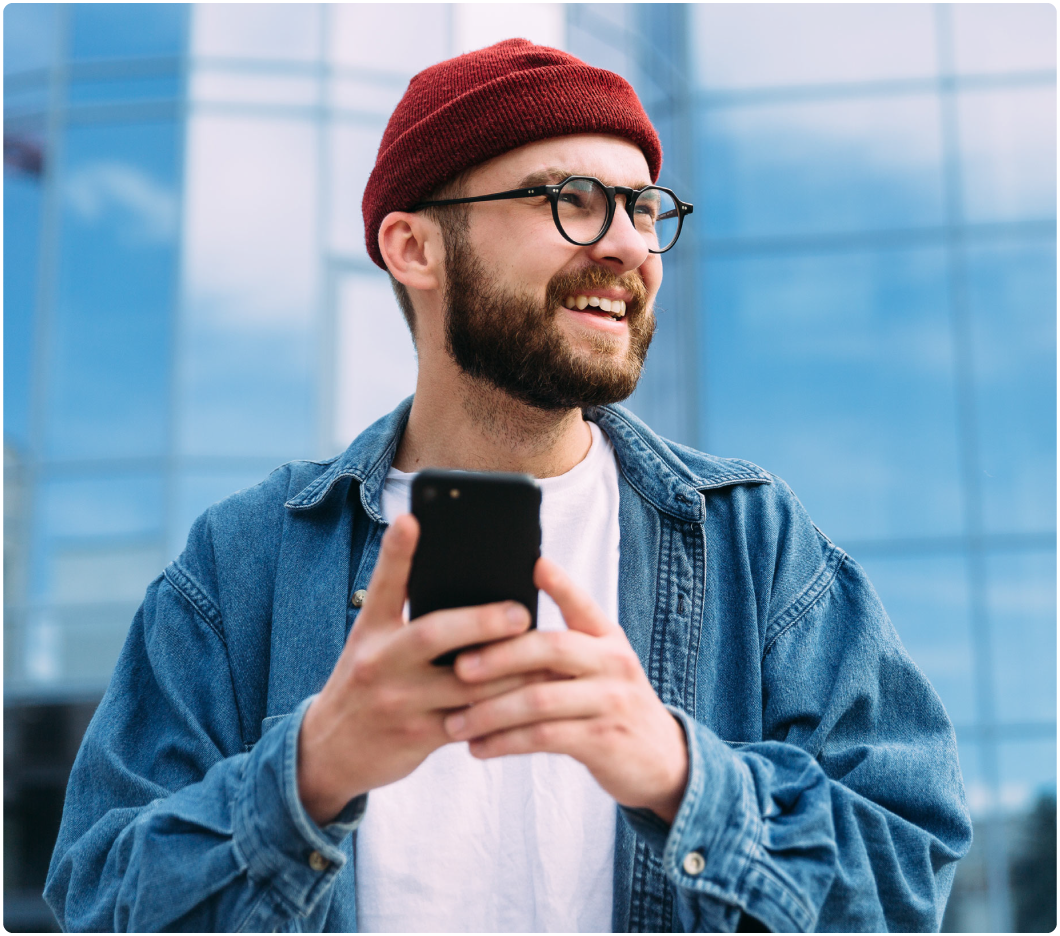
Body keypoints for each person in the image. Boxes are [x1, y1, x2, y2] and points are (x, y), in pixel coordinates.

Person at [45, 39, 971, 933]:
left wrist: (683, 775)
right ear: (414, 248)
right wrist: (310, 776)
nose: (627, 246)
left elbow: (906, 874)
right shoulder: (245, 561)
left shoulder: (751, 542)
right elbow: (98, 899)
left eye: (645, 209)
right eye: (572, 200)